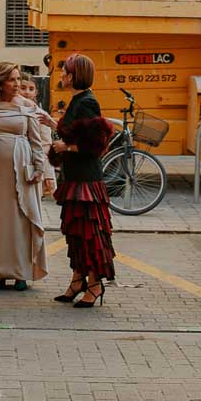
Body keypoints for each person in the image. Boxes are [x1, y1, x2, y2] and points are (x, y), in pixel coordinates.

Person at [49, 52, 115, 307]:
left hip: (86, 180)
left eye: (67, 71)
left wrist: (66, 148)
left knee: (90, 233)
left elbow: (95, 144)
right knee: (76, 233)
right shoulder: (77, 100)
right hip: (76, 178)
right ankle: (78, 279)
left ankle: (95, 283)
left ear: (77, 75)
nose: (63, 75)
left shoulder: (87, 102)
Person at [0, 62, 49, 290]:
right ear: (0, 82)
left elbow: (36, 140)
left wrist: (40, 168)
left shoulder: (27, 106)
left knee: (20, 219)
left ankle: (21, 273)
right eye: (12, 79)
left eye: (19, 79)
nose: (18, 84)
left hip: (22, 166)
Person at [17, 74, 57, 197]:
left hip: (32, 167)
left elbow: (45, 146)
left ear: (36, 92)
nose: (27, 92)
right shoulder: (9, 110)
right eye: (23, 88)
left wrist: (49, 174)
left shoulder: (40, 115)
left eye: (31, 89)